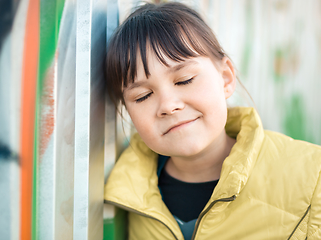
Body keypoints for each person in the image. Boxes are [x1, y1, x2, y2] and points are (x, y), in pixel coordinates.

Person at [104, 2, 321, 239]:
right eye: (143, 96)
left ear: (226, 78)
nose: (168, 105)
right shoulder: (122, 191)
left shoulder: (312, 176)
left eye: (184, 80)